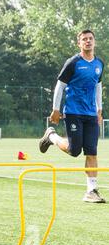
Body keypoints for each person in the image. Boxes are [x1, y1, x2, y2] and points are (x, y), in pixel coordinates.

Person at [39, 29, 105, 203]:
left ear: (94, 41)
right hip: (73, 112)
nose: (88, 41)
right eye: (84, 39)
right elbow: (60, 86)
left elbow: (98, 86)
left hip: (91, 114)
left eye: (90, 39)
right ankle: (51, 136)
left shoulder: (99, 64)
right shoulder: (73, 63)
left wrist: (99, 109)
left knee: (92, 152)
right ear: (79, 43)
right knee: (74, 151)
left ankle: (91, 191)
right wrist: (55, 109)